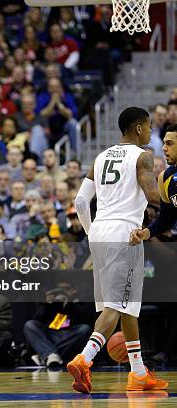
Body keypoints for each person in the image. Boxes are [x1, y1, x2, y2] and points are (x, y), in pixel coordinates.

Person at [68, 107, 167, 393]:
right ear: (138, 128)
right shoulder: (143, 156)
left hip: (99, 231)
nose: (150, 133)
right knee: (116, 305)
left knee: (127, 306)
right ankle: (83, 359)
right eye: (148, 127)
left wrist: (91, 233)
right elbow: (151, 196)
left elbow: (80, 202)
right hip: (125, 233)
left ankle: (138, 372)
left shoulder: (100, 158)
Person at [130, 125, 177, 245]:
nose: (164, 148)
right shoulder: (165, 177)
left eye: (169, 143)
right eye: (164, 143)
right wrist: (147, 232)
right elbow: (166, 219)